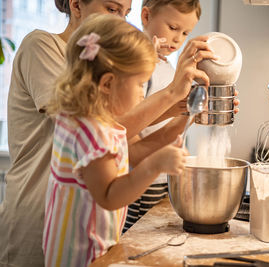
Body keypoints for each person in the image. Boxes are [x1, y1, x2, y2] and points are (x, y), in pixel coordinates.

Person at [0, 0, 214, 266]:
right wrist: (170, 94)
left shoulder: (96, 102)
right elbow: (108, 136)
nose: (121, 22)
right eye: (112, 10)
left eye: (126, 13)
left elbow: (125, 144)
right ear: (76, 5)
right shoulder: (42, 48)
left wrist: (184, 114)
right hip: (39, 224)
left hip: (83, 232)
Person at [42, 13, 187, 266]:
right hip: (83, 255)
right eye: (141, 84)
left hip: (69, 249)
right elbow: (109, 196)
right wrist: (155, 166)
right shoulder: (95, 133)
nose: (144, 93)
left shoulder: (80, 118)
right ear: (108, 83)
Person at [123, 0, 240, 230]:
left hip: (160, 179)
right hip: (138, 182)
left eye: (186, 32)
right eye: (173, 28)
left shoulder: (168, 68)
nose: (178, 39)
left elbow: (167, 124)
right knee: (134, 240)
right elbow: (128, 143)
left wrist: (193, 112)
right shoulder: (136, 70)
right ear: (145, 16)